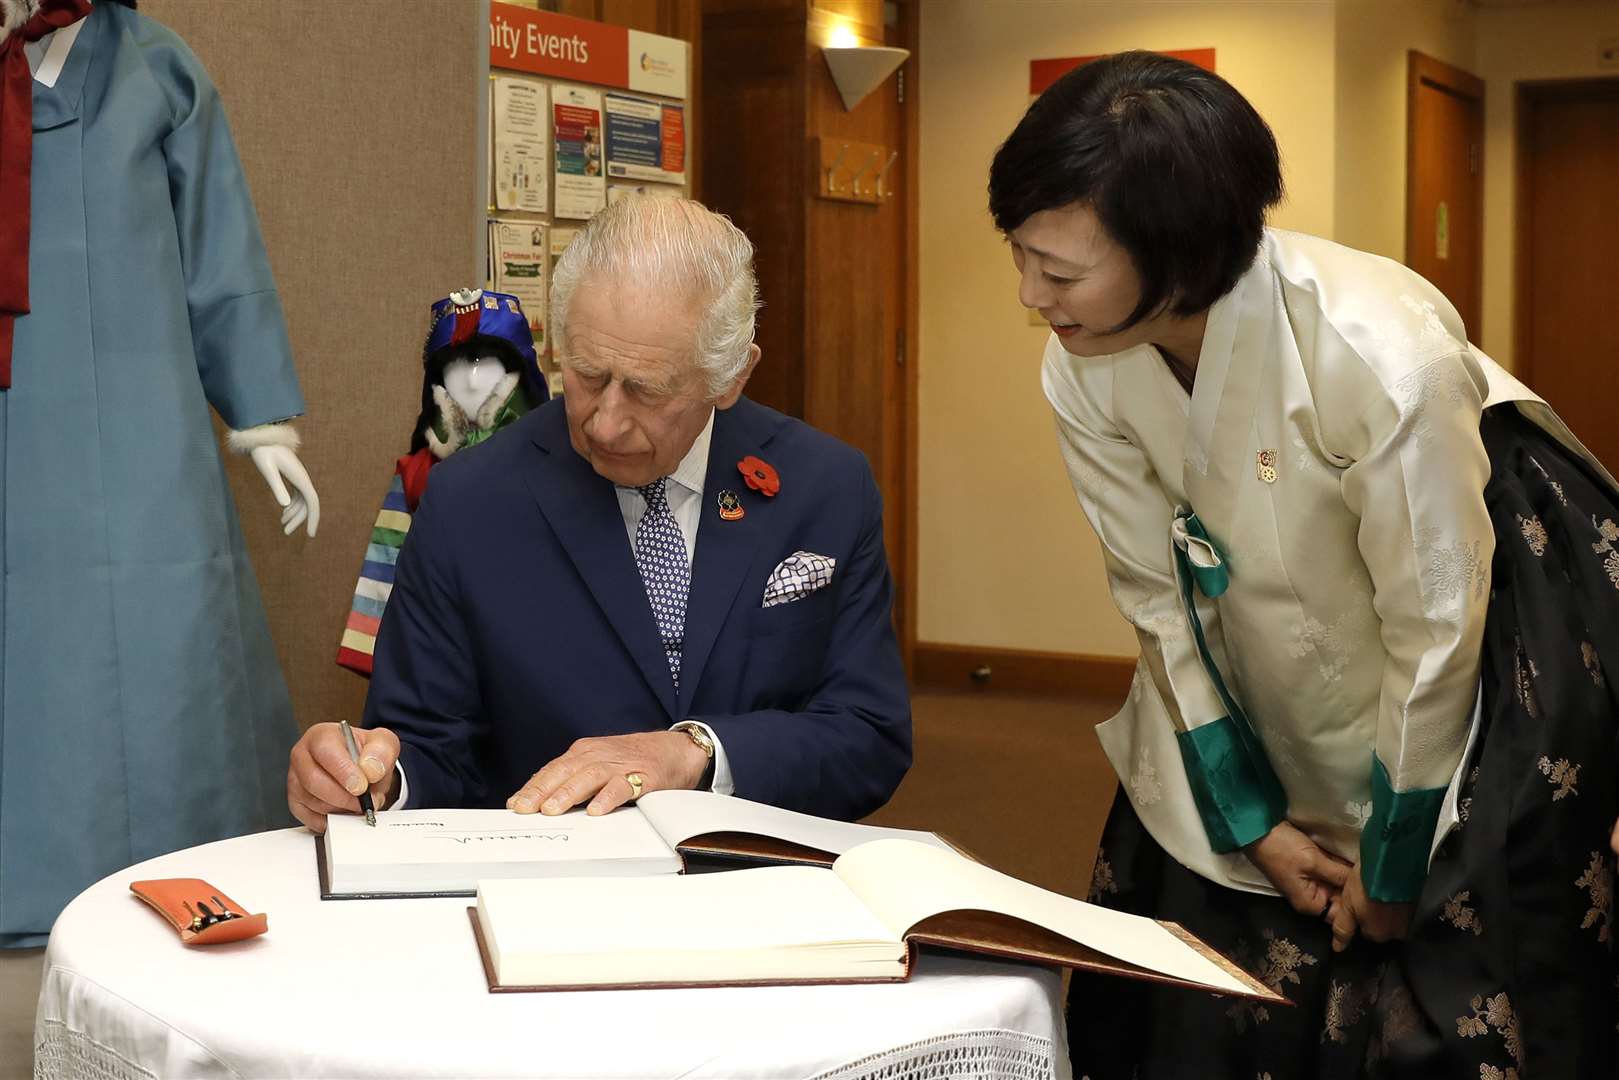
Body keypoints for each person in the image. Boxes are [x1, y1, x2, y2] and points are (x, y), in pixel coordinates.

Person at [988, 51, 1617, 1079]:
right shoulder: (1082, 362)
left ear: (1181, 251)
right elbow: (1153, 592)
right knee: (1185, 1003)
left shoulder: (1376, 348)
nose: (1028, 296)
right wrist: (1255, 823)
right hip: (1243, 673)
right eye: (1019, 256)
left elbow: (1432, 627)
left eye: (1056, 272)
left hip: (1452, 688)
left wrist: (1392, 854)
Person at [289, 196, 911, 829]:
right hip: (549, 893)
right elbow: (426, 748)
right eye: (586, 375)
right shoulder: (469, 502)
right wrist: (371, 777)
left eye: (647, 389)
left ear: (731, 376)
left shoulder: (826, 486)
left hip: (766, 881)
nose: (605, 423)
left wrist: (695, 752)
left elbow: (868, 736)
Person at [0, 0, 318, 947]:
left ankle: (174, 879)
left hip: (142, 426)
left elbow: (220, 251)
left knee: (154, 651)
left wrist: (262, 419)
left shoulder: (157, 71)